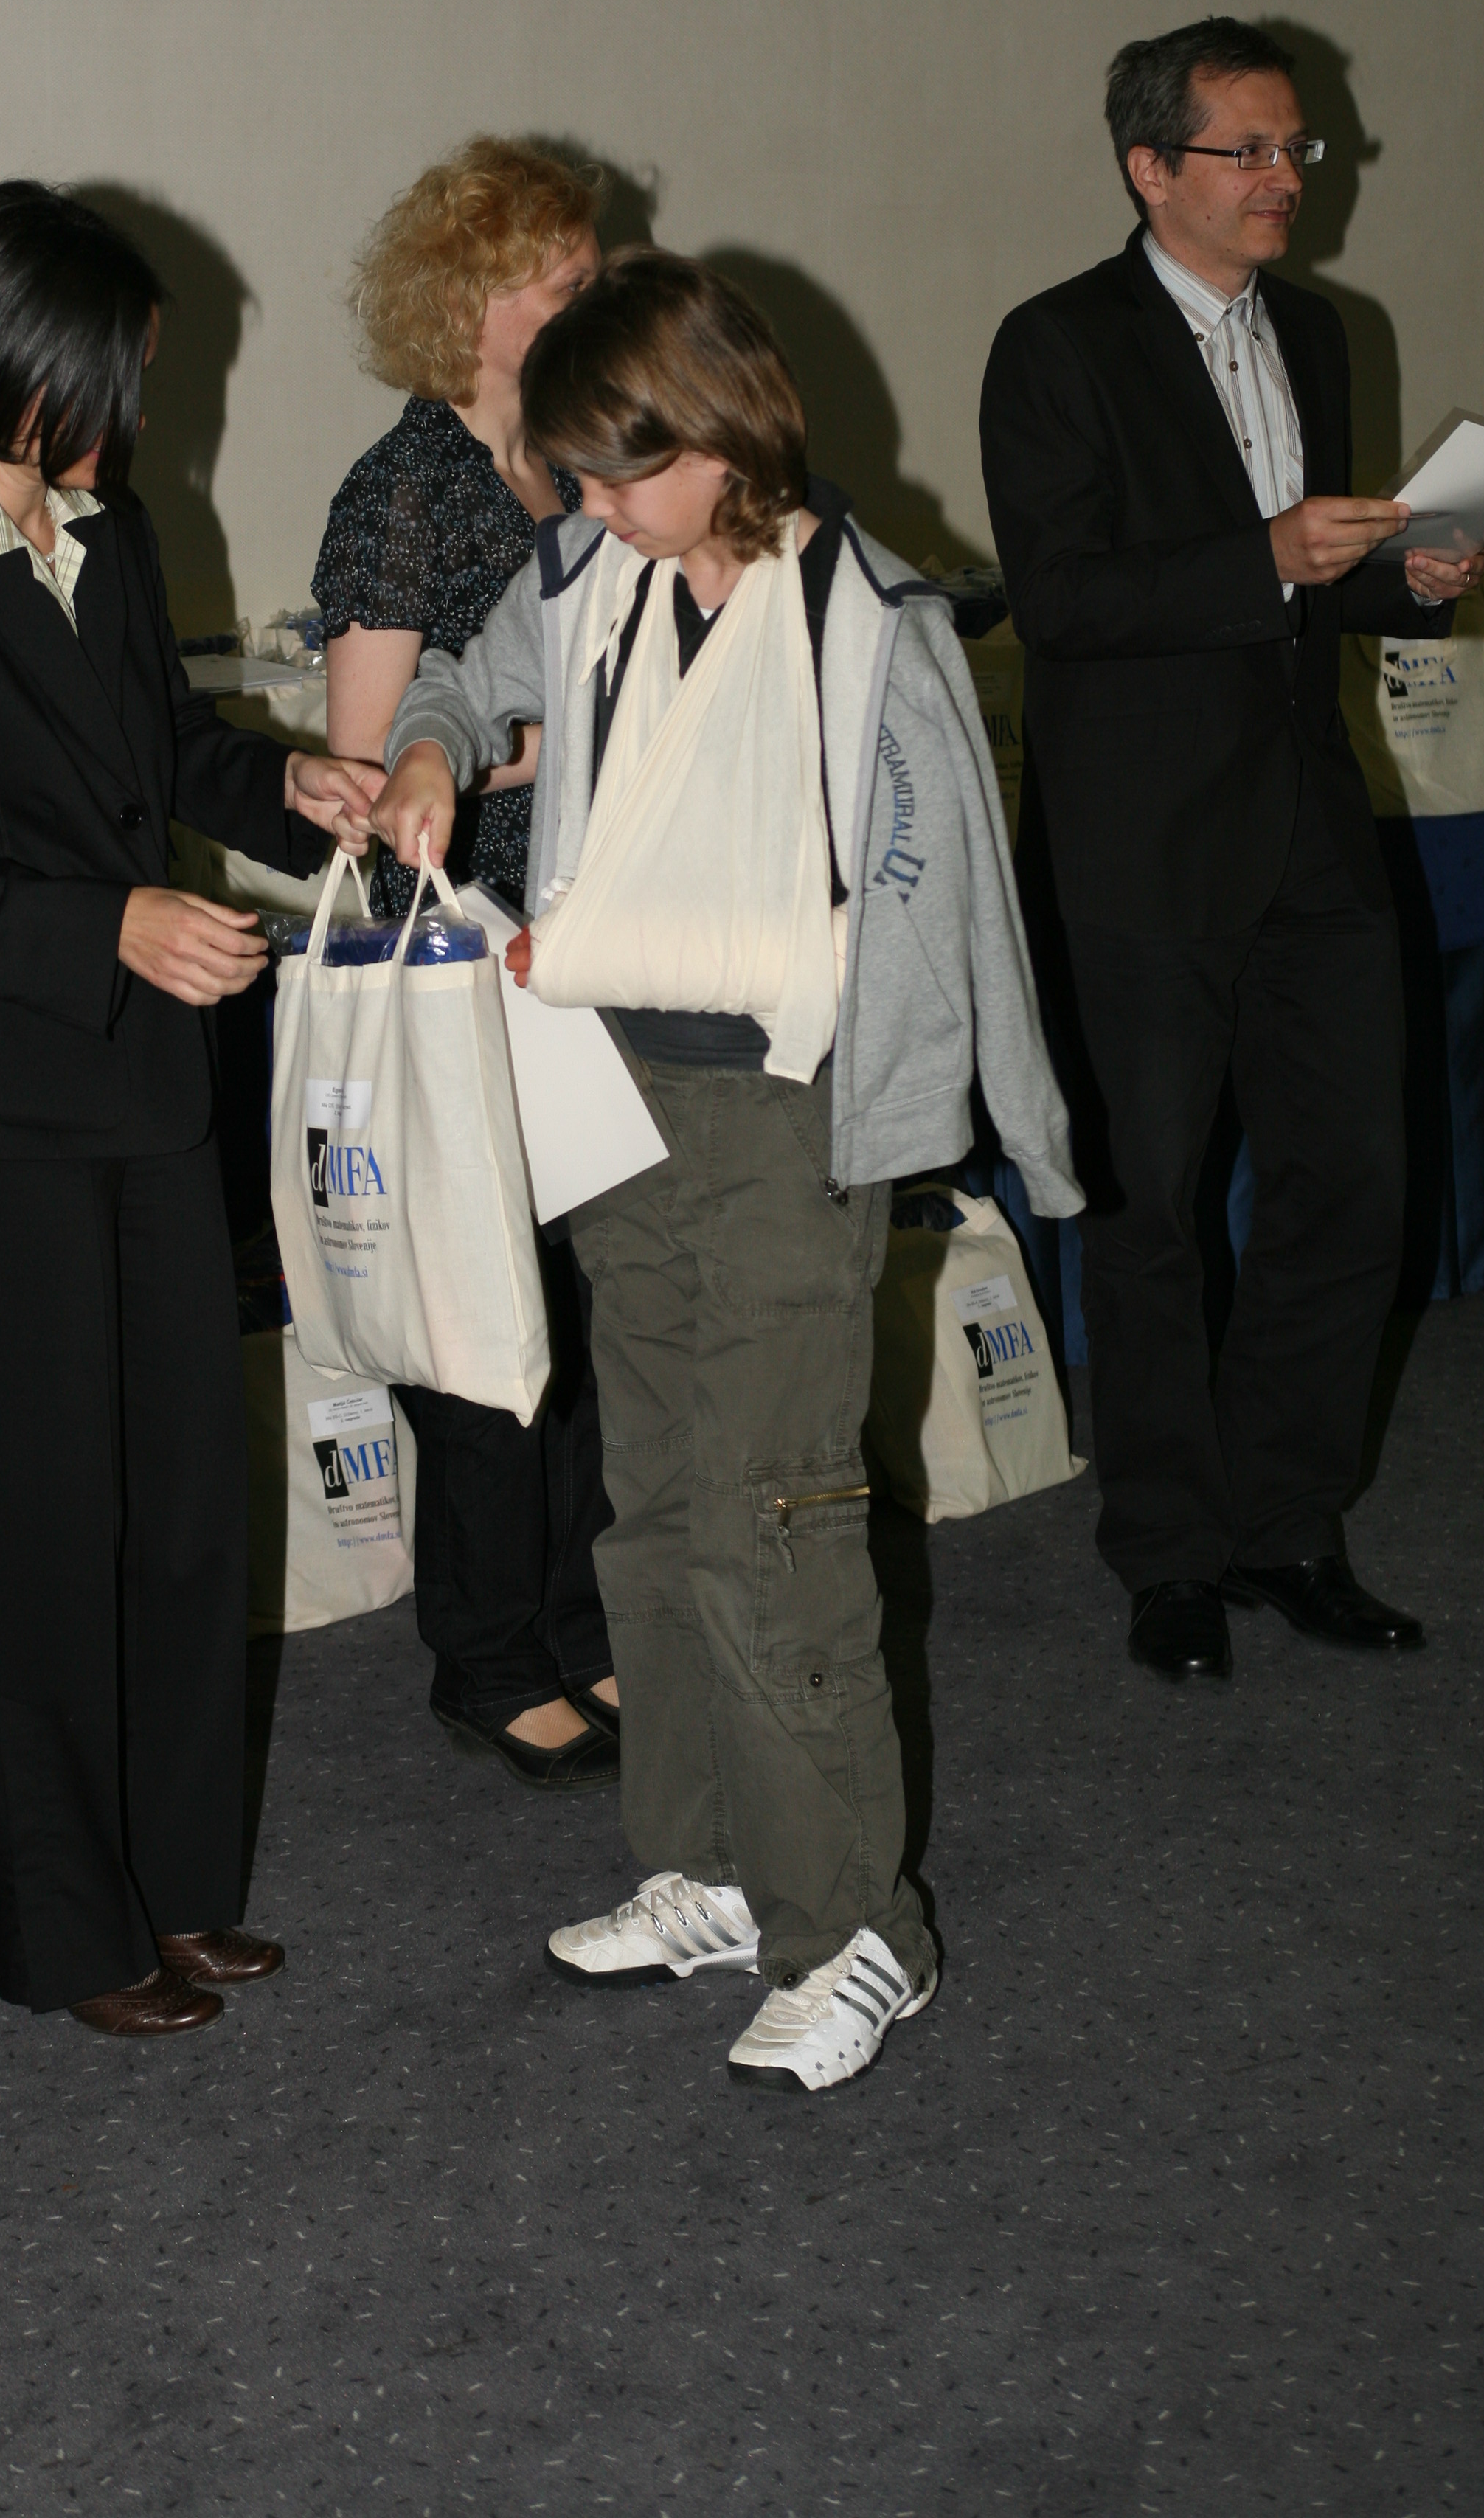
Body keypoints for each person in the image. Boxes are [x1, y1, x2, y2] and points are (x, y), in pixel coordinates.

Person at [373, 251, 1080, 2094]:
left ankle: (857, 1934)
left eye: (619, 474)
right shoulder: (584, 572)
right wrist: (434, 751)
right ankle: (701, 1867)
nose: (591, 508)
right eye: (578, 478)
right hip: (615, 1102)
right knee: (656, 1509)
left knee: (777, 1528)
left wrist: (1012, 1129)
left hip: (783, 1119)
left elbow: (946, 914)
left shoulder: (872, 627)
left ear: (718, 436)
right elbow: (463, 677)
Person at [0, 183, 379, 2039]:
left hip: (148, 1100)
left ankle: (180, 1886)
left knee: (187, 1516)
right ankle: (66, 1932)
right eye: (119, 373)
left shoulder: (110, 538)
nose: (142, 405)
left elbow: (165, 752)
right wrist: (104, 924)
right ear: (22, 376)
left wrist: (297, 789)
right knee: (41, 1541)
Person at [979, 18, 1484, 1684]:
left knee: (1350, 1184)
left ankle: (1289, 1526)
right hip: (1138, 849)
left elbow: (1308, 585)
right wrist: (1267, 551)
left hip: (1311, 829)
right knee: (1151, 1213)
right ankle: (1169, 1557)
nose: (1288, 179)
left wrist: (1403, 576)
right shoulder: (1057, 344)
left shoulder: (1322, 333)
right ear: (1151, 169)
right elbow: (1060, 600)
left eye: (1298, 151)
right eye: (1252, 151)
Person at [313, 138, 617, 1793]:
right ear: (470, 301)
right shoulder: (404, 490)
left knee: (579, 1312)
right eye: (559, 281)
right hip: (456, 965)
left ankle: (577, 1620)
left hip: (575, 949)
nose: (588, 299)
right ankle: (490, 1657)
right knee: (489, 1326)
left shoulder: (575, 463)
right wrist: (560, 740)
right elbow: (367, 783)